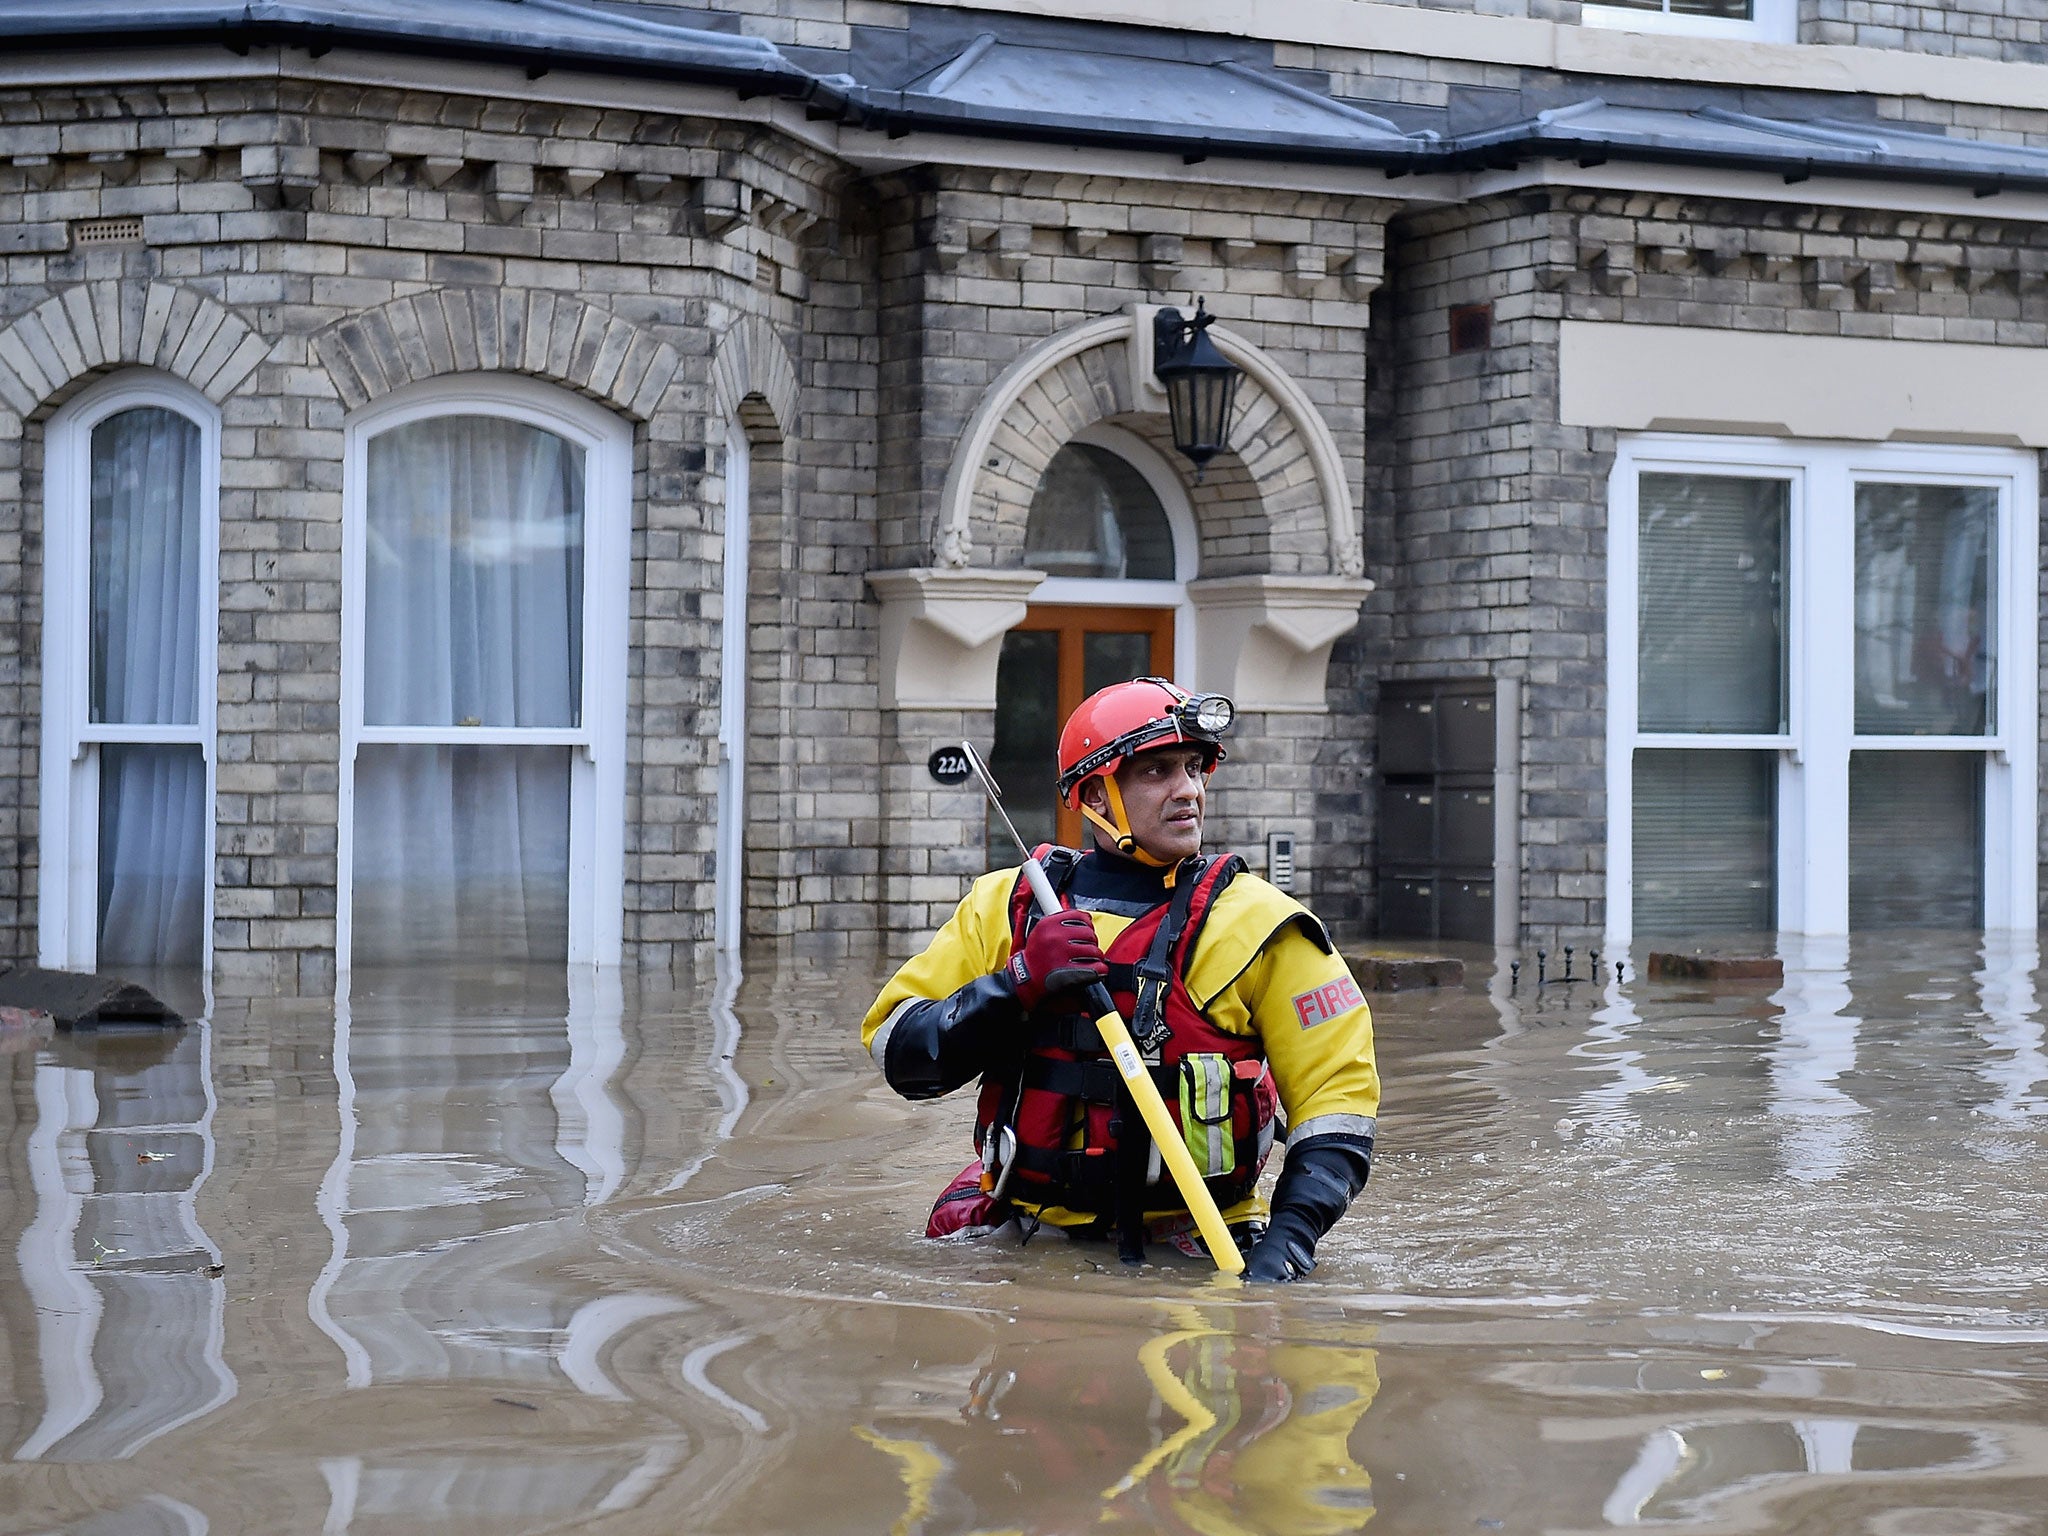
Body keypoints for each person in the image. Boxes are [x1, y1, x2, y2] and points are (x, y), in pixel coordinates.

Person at [861, 677, 1379, 1281]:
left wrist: (1291, 1241)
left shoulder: (1265, 926)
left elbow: (1337, 1108)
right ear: (1095, 798)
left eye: (1194, 768)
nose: (1188, 790)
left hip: (1197, 1235)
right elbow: (899, 1054)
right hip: (1031, 1226)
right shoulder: (1007, 907)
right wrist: (1018, 982)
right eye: (1158, 771)